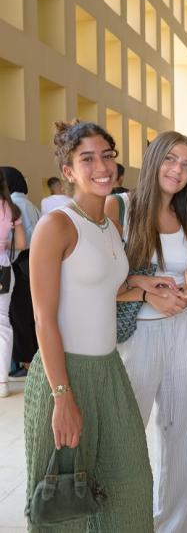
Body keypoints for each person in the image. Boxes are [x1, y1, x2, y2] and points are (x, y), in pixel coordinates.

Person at [25, 120, 153, 531]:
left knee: (131, 488)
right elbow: (43, 316)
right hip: (65, 374)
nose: (102, 166)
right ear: (68, 171)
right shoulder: (56, 226)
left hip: (109, 373)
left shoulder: (110, 227)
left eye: (108, 156)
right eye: (88, 159)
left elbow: (104, 291)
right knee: (64, 506)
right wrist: (62, 396)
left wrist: (146, 288)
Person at [105, 131, 187, 533]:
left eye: (186, 164)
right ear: (153, 161)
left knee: (183, 436)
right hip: (138, 336)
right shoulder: (121, 206)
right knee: (126, 435)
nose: (178, 170)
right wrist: (147, 293)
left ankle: (175, 526)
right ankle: (125, 522)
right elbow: (100, 277)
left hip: (185, 330)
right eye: (171, 159)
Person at [0, 167, 41, 377]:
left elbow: (22, 243)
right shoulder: (26, 203)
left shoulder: (15, 204)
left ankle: (24, 361)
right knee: (17, 314)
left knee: (19, 314)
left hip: (20, 262)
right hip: (21, 263)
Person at [0, 170, 26, 398]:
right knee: (3, 323)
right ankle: (2, 381)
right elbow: (21, 242)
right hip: (4, 268)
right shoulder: (12, 209)